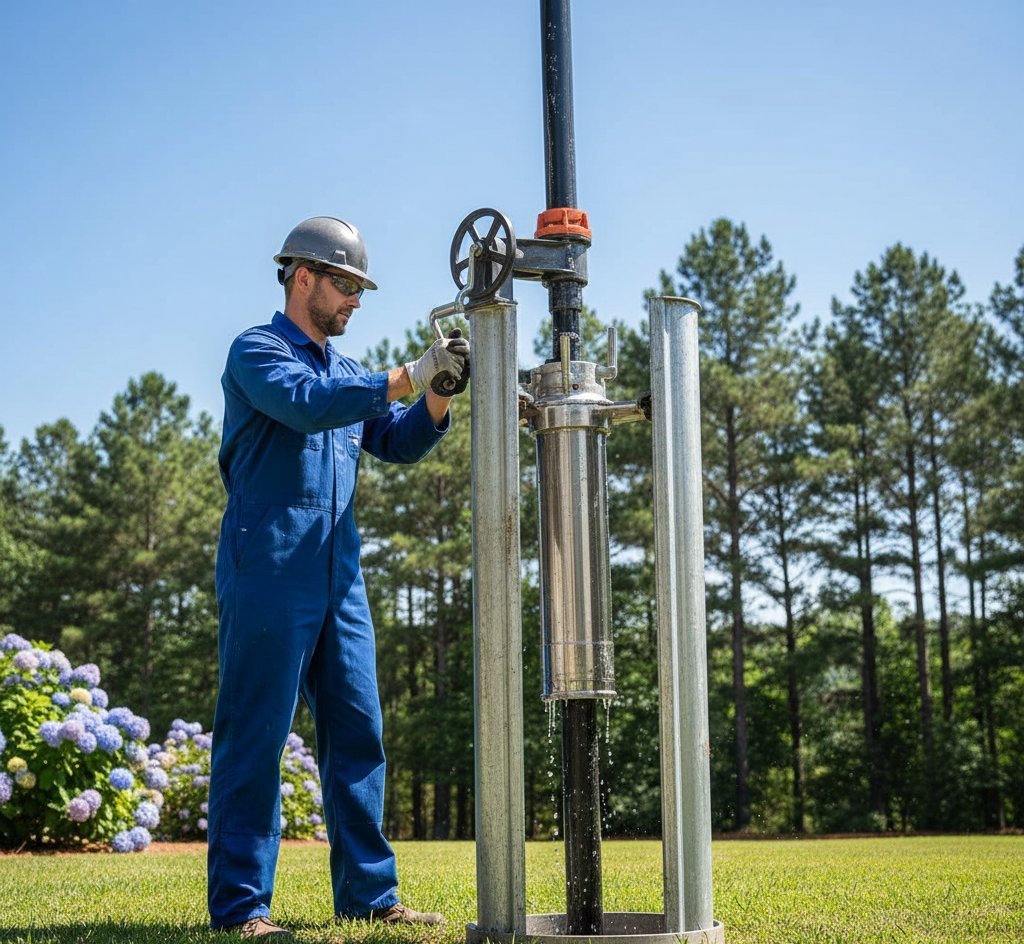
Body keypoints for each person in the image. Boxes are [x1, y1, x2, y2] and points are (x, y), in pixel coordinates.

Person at [207, 217, 468, 939]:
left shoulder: (354, 376)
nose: (355, 300)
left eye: (360, 288)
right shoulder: (257, 352)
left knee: (359, 732)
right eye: (346, 285)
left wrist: (438, 392)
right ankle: (240, 910)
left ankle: (370, 896)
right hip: (267, 566)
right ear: (302, 278)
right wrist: (407, 376)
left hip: (339, 572)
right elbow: (304, 406)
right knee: (255, 736)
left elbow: (400, 439)